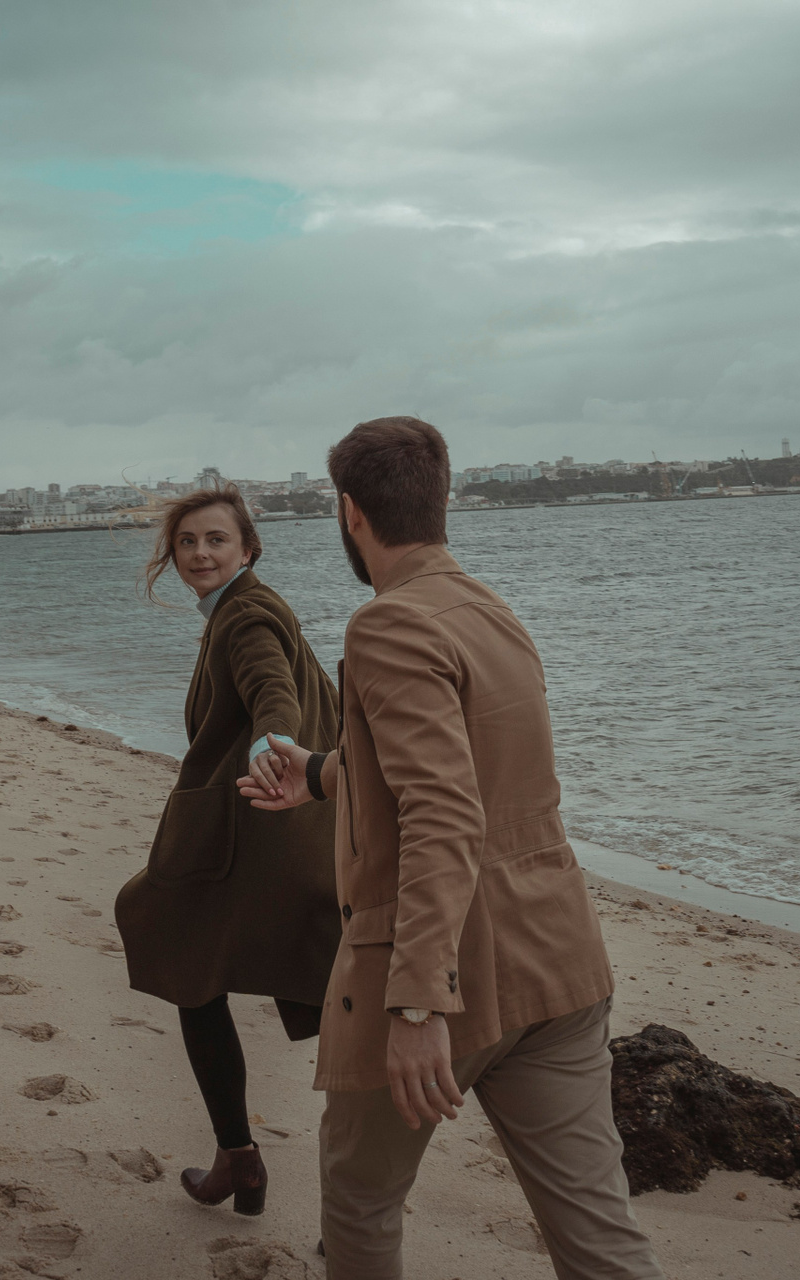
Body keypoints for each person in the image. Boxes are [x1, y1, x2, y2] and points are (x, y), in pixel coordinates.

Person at [240, 419, 664, 1280]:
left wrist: (417, 1006)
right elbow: (465, 770)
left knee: (359, 1202)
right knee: (598, 1233)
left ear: (350, 513)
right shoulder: (491, 611)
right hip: (556, 961)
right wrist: (319, 773)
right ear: (442, 501)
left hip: (439, 970)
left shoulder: (387, 625)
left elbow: (441, 810)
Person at [113, 483, 341, 1218]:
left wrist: (272, 745)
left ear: (248, 548)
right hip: (293, 833)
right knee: (325, 993)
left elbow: (271, 688)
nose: (200, 553)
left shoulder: (244, 616)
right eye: (187, 542)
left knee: (178, 948)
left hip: (256, 832)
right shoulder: (246, 607)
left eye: (216, 539)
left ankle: (250, 1161)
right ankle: (262, 1168)